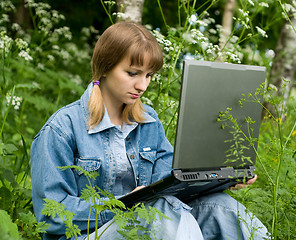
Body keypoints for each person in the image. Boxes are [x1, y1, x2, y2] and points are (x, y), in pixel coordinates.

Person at [31, 21, 269, 240]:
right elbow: (52, 216)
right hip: (87, 235)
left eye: (149, 76)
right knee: (158, 213)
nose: (142, 86)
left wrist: (218, 179)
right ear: (105, 68)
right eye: (132, 73)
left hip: (155, 222)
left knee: (223, 209)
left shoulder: (148, 121)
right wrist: (122, 204)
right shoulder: (62, 129)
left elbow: (169, 185)